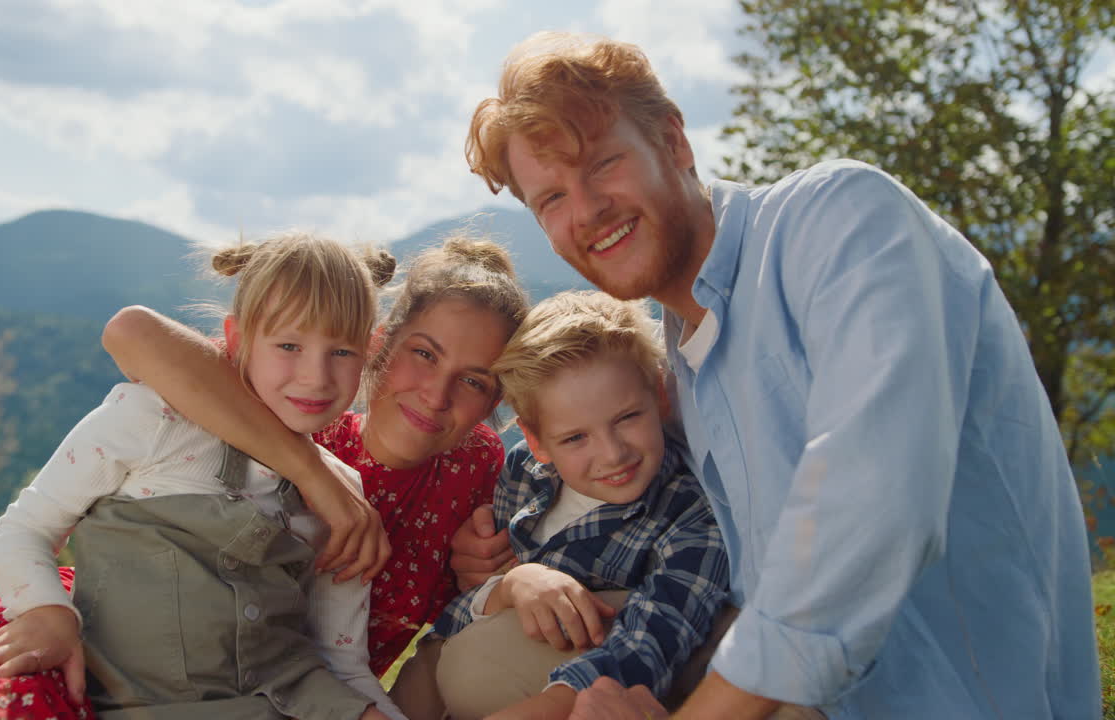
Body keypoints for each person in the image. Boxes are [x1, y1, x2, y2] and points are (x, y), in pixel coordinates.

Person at [458, 30, 1101, 720]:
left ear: (673, 141)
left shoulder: (839, 221)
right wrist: (502, 563)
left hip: (959, 700)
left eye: (605, 164)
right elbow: (583, 443)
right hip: (802, 698)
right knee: (483, 668)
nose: (585, 211)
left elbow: (870, 503)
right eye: (550, 199)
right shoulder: (679, 357)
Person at [0, 232, 404, 720]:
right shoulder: (153, 420)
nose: (315, 375)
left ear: (370, 353)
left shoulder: (343, 497)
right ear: (236, 341)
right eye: (288, 345)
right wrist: (49, 614)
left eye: (341, 351)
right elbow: (23, 529)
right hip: (138, 701)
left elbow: (341, 661)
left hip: (289, 700)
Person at [100, 232, 531, 679]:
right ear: (377, 347)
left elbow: (459, 612)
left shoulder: (473, 466)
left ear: (494, 402)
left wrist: (474, 579)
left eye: (474, 382)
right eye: (423, 354)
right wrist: (313, 472)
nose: (437, 395)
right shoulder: (286, 411)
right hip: (144, 654)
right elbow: (132, 332)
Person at [393, 290, 730, 720]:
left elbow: (655, 639)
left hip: (575, 692)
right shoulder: (524, 472)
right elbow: (472, 602)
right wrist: (511, 584)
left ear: (660, 399)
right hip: (471, 640)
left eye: (628, 417)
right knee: (423, 672)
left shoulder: (691, 514)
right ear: (536, 442)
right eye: (575, 438)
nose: (612, 454)